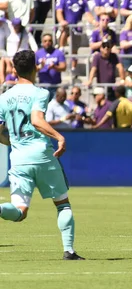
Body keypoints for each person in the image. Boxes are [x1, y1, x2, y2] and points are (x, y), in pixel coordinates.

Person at [0, 50, 84, 260]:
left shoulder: (4, 97)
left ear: (13, 69)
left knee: (19, 212)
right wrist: (59, 136)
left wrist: (11, 141)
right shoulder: (40, 93)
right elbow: (37, 120)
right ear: (35, 68)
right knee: (62, 203)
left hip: (18, 158)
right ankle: (69, 251)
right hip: (41, 154)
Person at [56, 0, 97, 72]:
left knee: (74, 50)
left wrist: (94, 21)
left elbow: (87, 14)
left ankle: (73, 68)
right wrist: (62, 21)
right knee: (65, 29)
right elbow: (59, 12)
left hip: (76, 28)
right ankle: (61, 48)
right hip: (65, 27)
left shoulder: (81, 0)